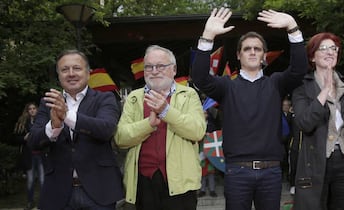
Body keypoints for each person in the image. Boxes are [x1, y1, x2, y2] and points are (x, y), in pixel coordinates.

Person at [191, 7, 308, 210]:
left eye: (257, 48)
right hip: (237, 172)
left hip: (271, 172)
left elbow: (299, 70)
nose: (252, 52)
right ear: (239, 55)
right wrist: (207, 36)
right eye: (247, 48)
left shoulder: (276, 83)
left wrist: (292, 28)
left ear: (264, 55)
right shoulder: (227, 86)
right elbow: (200, 78)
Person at [291, 32, 344, 210]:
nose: (330, 52)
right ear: (312, 57)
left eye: (333, 48)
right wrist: (324, 92)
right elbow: (305, 123)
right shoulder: (302, 88)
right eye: (323, 48)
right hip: (315, 161)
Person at [29, 49, 124, 210]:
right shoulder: (48, 103)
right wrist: (54, 127)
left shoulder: (104, 98)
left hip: (99, 192)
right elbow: (33, 141)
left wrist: (67, 116)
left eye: (77, 68)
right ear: (59, 75)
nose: (71, 73)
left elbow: (106, 129)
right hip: (58, 193)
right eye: (65, 70)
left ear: (88, 73)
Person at [114, 45, 206, 210]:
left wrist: (166, 111)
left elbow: (197, 131)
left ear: (174, 69)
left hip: (181, 185)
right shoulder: (134, 97)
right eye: (149, 66)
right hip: (142, 183)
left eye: (160, 66)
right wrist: (148, 125)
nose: (154, 71)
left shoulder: (189, 95)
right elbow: (121, 138)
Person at [14, 102, 44, 210]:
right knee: (30, 180)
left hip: (40, 155)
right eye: (30, 109)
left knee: (42, 180)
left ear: (37, 110)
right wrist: (24, 138)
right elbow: (15, 138)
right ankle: (30, 202)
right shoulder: (23, 123)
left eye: (34, 108)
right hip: (29, 156)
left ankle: (43, 203)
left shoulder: (41, 122)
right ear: (27, 111)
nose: (32, 110)